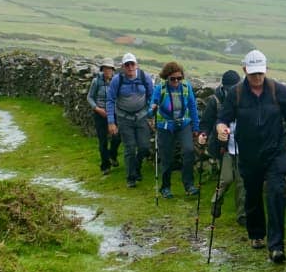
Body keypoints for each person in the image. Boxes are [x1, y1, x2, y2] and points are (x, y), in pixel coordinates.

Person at [216, 50, 286, 264]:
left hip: (274, 152)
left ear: (266, 70)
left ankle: (276, 247)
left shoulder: (277, 91)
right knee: (252, 195)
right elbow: (223, 118)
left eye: (260, 73)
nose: (257, 78)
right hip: (249, 154)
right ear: (244, 70)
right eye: (253, 74)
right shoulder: (236, 93)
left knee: (276, 194)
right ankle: (256, 234)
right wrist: (221, 128)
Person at [199, 70, 246, 225]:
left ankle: (242, 216)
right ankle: (216, 201)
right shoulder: (216, 101)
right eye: (230, 88)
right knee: (226, 179)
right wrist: (204, 134)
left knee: (241, 183)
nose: (233, 91)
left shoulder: (247, 99)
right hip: (224, 148)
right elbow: (206, 121)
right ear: (224, 87)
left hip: (243, 149)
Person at [151, 61, 201, 198]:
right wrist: (152, 110)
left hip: (183, 124)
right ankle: (165, 188)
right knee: (167, 157)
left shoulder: (186, 87)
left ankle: (189, 185)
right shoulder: (159, 88)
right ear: (166, 77)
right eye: (173, 78)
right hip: (165, 127)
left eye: (179, 78)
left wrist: (196, 126)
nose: (176, 81)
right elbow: (151, 107)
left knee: (189, 151)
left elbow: (192, 107)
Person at [107, 53, 153, 188]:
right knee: (130, 148)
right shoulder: (117, 80)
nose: (130, 67)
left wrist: (151, 114)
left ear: (136, 64)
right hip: (124, 119)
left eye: (132, 64)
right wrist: (111, 121)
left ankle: (137, 167)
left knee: (144, 147)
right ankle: (131, 178)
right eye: (127, 64)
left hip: (142, 117)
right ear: (123, 67)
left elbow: (152, 97)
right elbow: (110, 100)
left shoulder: (145, 78)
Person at [86, 57, 120, 175]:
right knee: (103, 141)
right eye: (105, 68)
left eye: (110, 68)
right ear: (102, 69)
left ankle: (113, 155)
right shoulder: (97, 81)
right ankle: (105, 166)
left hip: (114, 113)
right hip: (100, 114)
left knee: (117, 137)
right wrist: (97, 108)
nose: (107, 71)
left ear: (113, 70)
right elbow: (89, 97)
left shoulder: (116, 81)